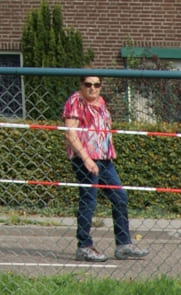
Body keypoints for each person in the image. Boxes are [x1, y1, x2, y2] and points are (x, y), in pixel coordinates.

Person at [63, 73, 146, 261]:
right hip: (86, 160)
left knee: (119, 197)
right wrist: (86, 159)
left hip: (104, 159)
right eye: (88, 84)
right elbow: (70, 133)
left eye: (97, 84)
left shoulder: (101, 102)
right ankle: (84, 246)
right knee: (88, 201)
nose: (92, 88)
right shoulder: (76, 101)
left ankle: (123, 244)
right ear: (81, 84)